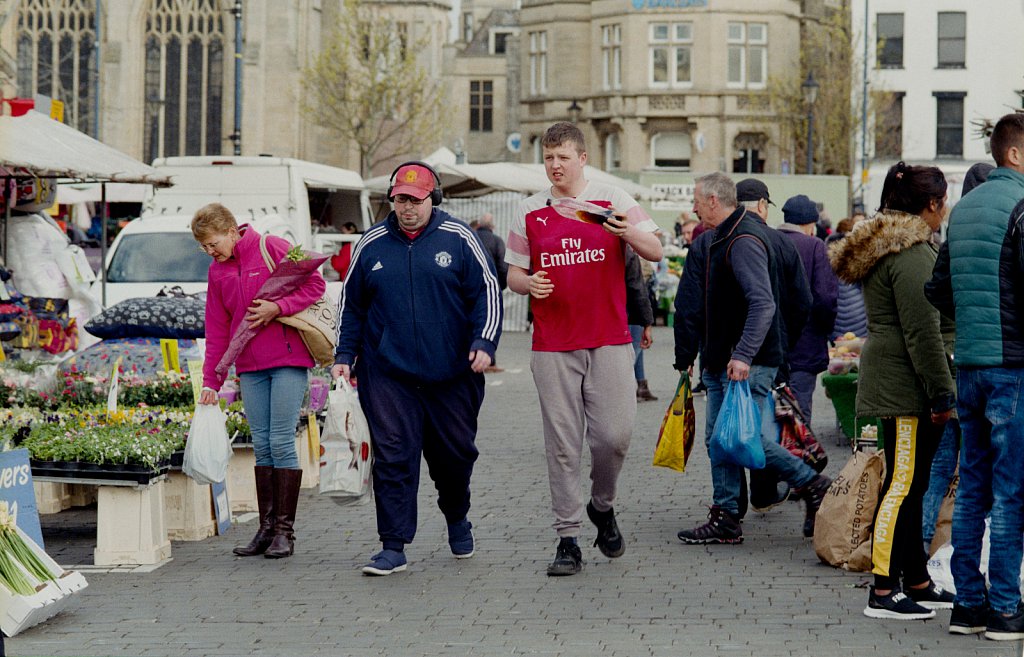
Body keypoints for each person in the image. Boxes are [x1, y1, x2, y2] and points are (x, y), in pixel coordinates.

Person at [505, 122, 662, 576]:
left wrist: (626, 233)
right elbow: (514, 272)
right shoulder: (530, 211)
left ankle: (602, 505)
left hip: (610, 339)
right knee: (562, 445)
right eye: (549, 158)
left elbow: (654, 249)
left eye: (563, 158)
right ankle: (567, 538)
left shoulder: (612, 200)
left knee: (614, 438)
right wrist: (527, 282)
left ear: (582, 159)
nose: (555, 166)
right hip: (553, 343)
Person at [332, 162, 502, 576]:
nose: (407, 207)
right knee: (393, 456)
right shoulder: (370, 244)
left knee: (454, 457)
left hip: (452, 373)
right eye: (400, 199)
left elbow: (487, 292)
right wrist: (343, 356)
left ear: (434, 199)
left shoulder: (460, 238)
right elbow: (351, 307)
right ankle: (393, 546)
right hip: (388, 373)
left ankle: (457, 516)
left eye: (416, 199)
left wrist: (484, 342)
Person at [673, 172, 830, 546]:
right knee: (721, 439)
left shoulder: (742, 240)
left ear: (714, 201)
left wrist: (747, 354)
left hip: (741, 362)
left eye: (697, 200)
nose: (693, 207)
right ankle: (726, 515)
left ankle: (812, 483)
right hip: (728, 359)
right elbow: (798, 302)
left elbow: (763, 302)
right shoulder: (729, 235)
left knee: (746, 438)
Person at [830, 161, 956, 620]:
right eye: (943, 202)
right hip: (904, 385)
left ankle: (916, 579)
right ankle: (883, 589)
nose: (944, 210)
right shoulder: (913, 254)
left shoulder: (894, 250)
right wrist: (942, 393)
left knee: (912, 484)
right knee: (902, 486)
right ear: (930, 205)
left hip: (895, 377)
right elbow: (923, 333)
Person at [926, 113, 1024, 639]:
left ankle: (968, 606)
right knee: (1011, 493)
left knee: (973, 489)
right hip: (1013, 368)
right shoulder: (1021, 204)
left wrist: (975, 317)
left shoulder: (962, 212)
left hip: (970, 365)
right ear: (1014, 154)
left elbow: (937, 290)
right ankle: (1006, 609)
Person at [193, 202, 326, 560]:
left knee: (281, 439)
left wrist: (277, 309)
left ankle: (285, 532)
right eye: (204, 247)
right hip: (249, 366)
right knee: (262, 443)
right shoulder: (216, 271)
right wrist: (211, 380)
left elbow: (316, 284)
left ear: (231, 230)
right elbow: (217, 328)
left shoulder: (272, 246)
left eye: (212, 243)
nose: (210, 251)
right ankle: (266, 529)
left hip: (287, 359)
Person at [920, 161, 993, 554]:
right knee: (988, 469)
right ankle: (980, 555)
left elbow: (935, 293)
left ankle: (921, 547)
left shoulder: (952, 239)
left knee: (941, 464)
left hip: (955, 365)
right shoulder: (1004, 230)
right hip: (992, 363)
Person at [735, 179, 813, 513]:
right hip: (770, 349)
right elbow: (804, 301)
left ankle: (731, 503)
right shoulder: (781, 243)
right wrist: (786, 341)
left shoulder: (718, 238)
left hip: (731, 352)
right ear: (764, 206)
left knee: (732, 425)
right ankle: (767, 490)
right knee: (762, 422)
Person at [777, 194, 838, 423]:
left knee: (771, 411)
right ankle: (797, 458)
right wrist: (826, 330)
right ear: (810, 224)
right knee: (800, 413)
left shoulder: (770, 240)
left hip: (771, 344)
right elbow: (825, 297)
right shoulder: (814, 246)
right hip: (806, 343)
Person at [626, 247, 656, 402]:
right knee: (634, 349)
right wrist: (647, 322)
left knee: (637, 347)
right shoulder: (630, 247)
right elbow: (638, 287)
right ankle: (630, 386)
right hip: (630, 307)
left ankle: (642, 385)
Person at [475, 213, 508, 291]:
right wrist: (500, 286)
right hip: (490, 286)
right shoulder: (497, 241)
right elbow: (503, 267)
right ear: (492, 226)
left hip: (470, 285)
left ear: (479, 224)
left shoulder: (470, 237)